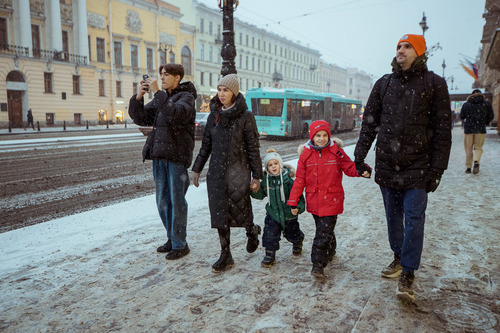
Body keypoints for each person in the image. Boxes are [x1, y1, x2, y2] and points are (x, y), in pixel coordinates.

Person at [354, 34, 452, 302]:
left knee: (414, 219)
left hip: (418, 167)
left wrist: (437, 170)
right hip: (387, 164)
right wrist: (359, 156)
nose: (401, 50)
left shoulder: (434, 84)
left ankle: (408, 270)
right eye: (398, 46)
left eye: (407, 46)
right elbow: (369, 124)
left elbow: (443, 131)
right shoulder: (384, 83)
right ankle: (398, 256)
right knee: (394, 219)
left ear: (419, 52)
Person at [191, 74, 263, 273]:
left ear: (235, 92)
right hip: (216, 172)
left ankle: (252, 231)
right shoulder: (214, 115)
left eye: (226, 90)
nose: (221, 94)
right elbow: (206, 146)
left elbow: (253, 148)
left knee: (242, 210)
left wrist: (257, 176)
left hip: (238, 172)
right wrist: (196, 169)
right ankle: (226, 253)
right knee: (219, 213)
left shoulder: (245, 116)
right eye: (219, 90)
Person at [128, 64, 197, 260]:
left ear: (178, 78)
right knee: (163, 202)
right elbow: (141, 117)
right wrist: (139, 98)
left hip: (176, 157)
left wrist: (158, 91)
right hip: (159, 155)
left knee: (177, 202)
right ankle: (172, 237)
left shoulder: (187, 97)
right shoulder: (163, 98)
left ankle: (180, 244)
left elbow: (174, 115)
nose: (162, 78)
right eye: (161, 75)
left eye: (167, 75)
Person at [287, 120, 370, 278]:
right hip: (314, 201)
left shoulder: (336, 152)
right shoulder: (306, 155)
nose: (321, 138)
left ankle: (317, 264)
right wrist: (293, 200)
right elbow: (299, 180)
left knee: (322, 233)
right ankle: (330, 251)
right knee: (324, 230)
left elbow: (349, 167)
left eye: (325, 135)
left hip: (332, 200)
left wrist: (362, 170)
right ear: (312, 136)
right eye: (318, 135)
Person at [251, 148, 306, 267]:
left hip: (289, 215)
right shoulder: (266, 182)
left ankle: (298, 241)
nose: (273, 167)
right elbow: (260, 194)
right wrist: (254, 190)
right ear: (267, 167)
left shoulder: (289, 182)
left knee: (292, 234)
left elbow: (299, 198)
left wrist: (298, 207)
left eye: (276, 163)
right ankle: (269, 255)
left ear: (280, 164)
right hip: (273, 214)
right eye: (270, 165)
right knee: (269, 235)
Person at [460, 89, 494, 174]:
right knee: (478, 147)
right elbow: (491, 116)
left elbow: (462, 116)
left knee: (468, 149)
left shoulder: (466, 104)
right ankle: (476, 161)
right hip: (480, 129)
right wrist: (484, 123)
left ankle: (468, 168)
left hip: (468, 130)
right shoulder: (486, 104)